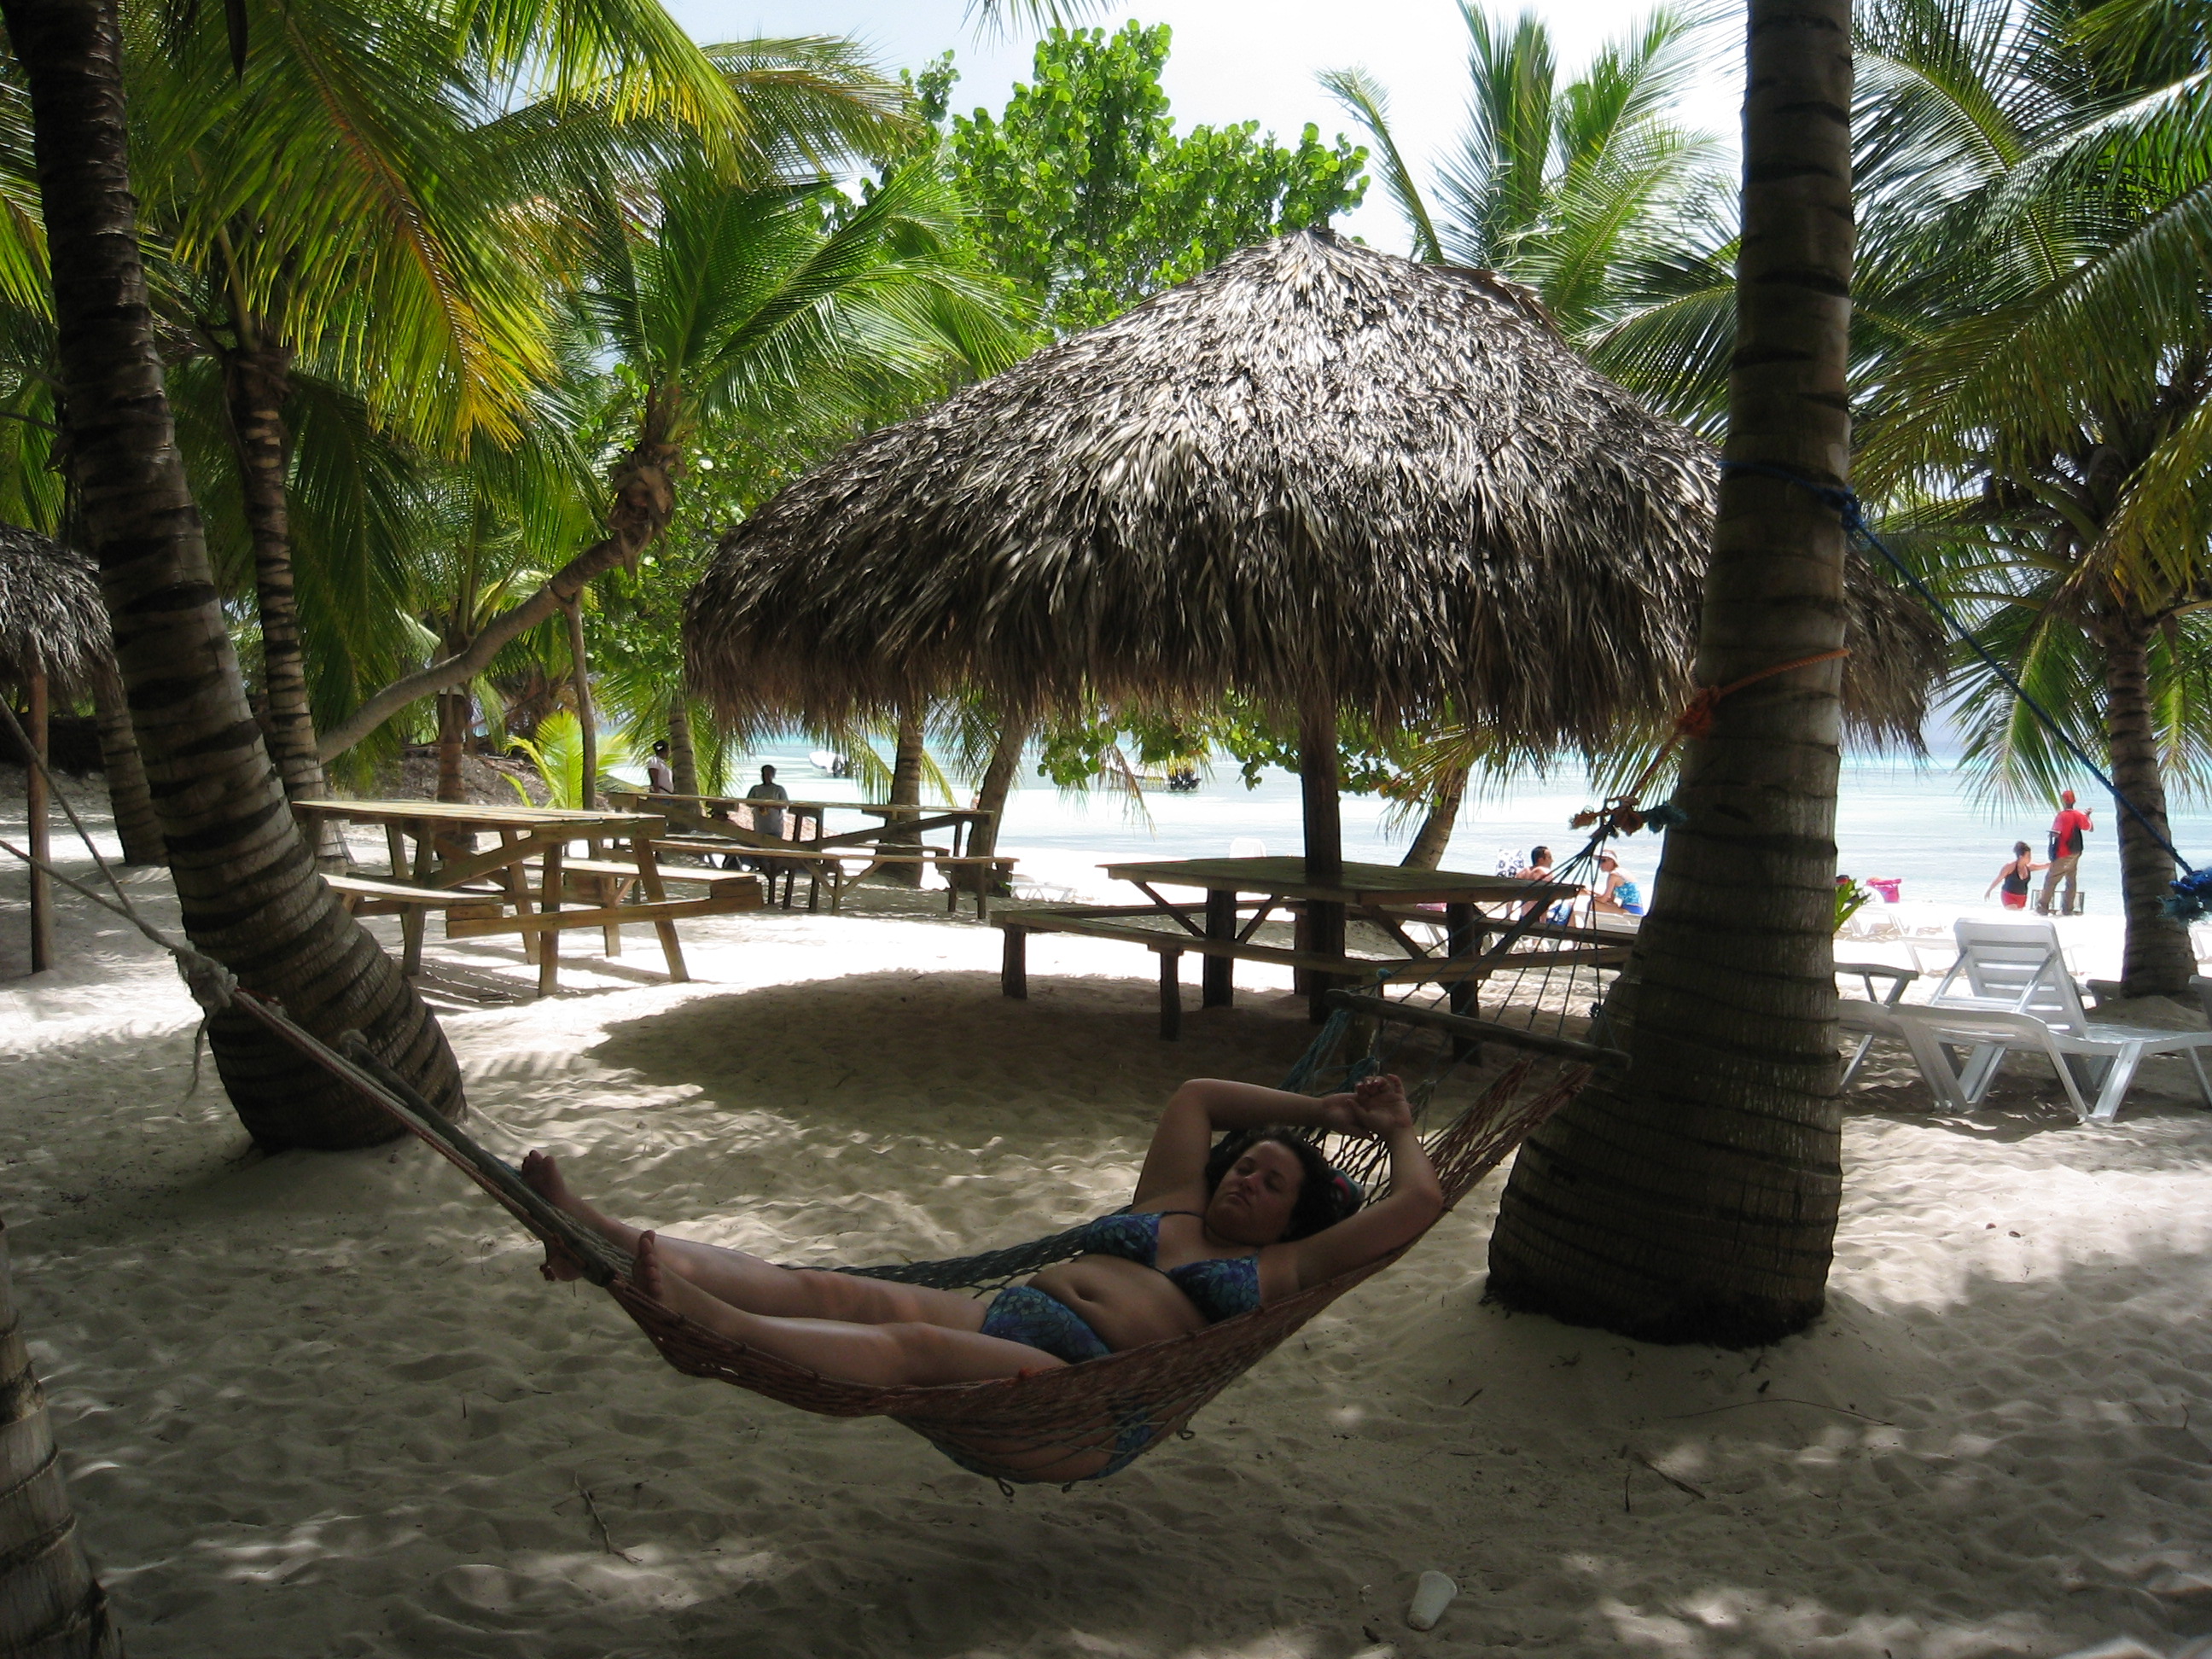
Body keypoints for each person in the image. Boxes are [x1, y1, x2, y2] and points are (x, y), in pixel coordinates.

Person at [519, 1073, 1441, 1387]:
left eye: (1273, 1181)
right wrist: (1316, 1108)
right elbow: (1198, 1097)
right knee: (837, 1292)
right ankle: (591, 1231)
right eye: (1246, 1163)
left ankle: (711, 1330)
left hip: (1078, 1388)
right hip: (1007, 1318)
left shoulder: (1283, 1270)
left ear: (1294, 1214)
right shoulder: (1174, 1201)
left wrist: (1394, 1131)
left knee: (912, 1344)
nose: (1248, 1178)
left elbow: (1418, 1207)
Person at [2040, 789, 2093, 914]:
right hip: (2075, 852)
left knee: (2051, 880)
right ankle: (2068, 909)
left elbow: (2056, 833)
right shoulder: (2079, 815)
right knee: (2071, 879)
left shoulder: (2061, 816)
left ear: (2063, 801)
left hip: (2063, 852)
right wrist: (2088, 817)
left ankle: (2042, 908)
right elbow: (2088, 827)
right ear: (2074, 801)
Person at [1987, 841, 2041, 911]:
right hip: (2009, 896)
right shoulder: (2010, 867)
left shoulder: (2029, 867)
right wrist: (1989, 890)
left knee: (2017, 919)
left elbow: (2046, 866)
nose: (2030, 858)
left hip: (2022, 898)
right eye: (2028, 856)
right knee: (2013, 915)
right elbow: (1999, 879)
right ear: (2021, 857)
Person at [1591, 853, 1644, 917]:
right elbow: (1610, 899)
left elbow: (1604, 899)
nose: (1600, 864)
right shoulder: (1621, 872)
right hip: (1636, 910)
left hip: (1630, 911)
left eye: (1602, 861)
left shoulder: (1614, 875)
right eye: (1599, 862)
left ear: (1611, 861)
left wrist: (1592, 898)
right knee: (1612, 904)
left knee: (1592, 904)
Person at [746, 764, 789, 840]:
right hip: (760, 823)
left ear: (773, 775)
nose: (765, 776)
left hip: (775, 824)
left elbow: (785, 805)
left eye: (768, 774)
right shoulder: (756, 788)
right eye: (764, 774)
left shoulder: (778, 789)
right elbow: (748, 802)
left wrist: (771, 805)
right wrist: (759, 805)